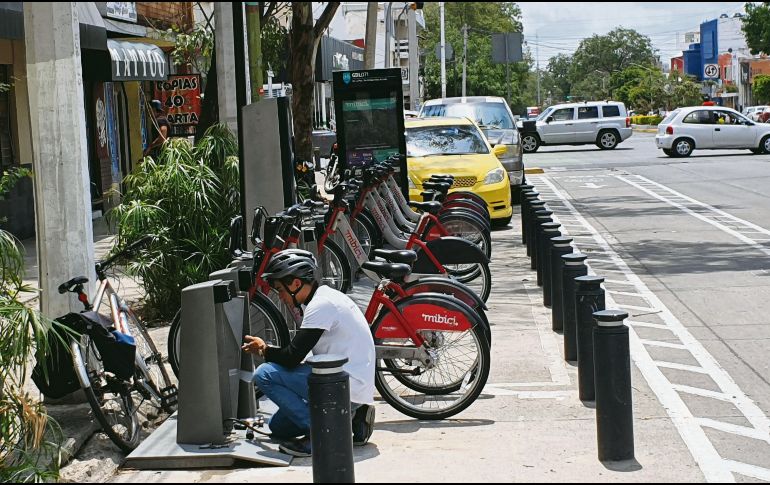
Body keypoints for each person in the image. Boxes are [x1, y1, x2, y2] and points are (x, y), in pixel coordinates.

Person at [242, 249, 376, 457]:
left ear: (295, 284)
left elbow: (292, 356)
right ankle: (354, 416)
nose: (281, 297)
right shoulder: (326, 297)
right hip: (351, 382)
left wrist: (263, 349)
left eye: (280, 289)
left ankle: (325, 433)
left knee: (264, 374)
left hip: (347, 386)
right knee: (278, 428)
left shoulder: (320, 306)